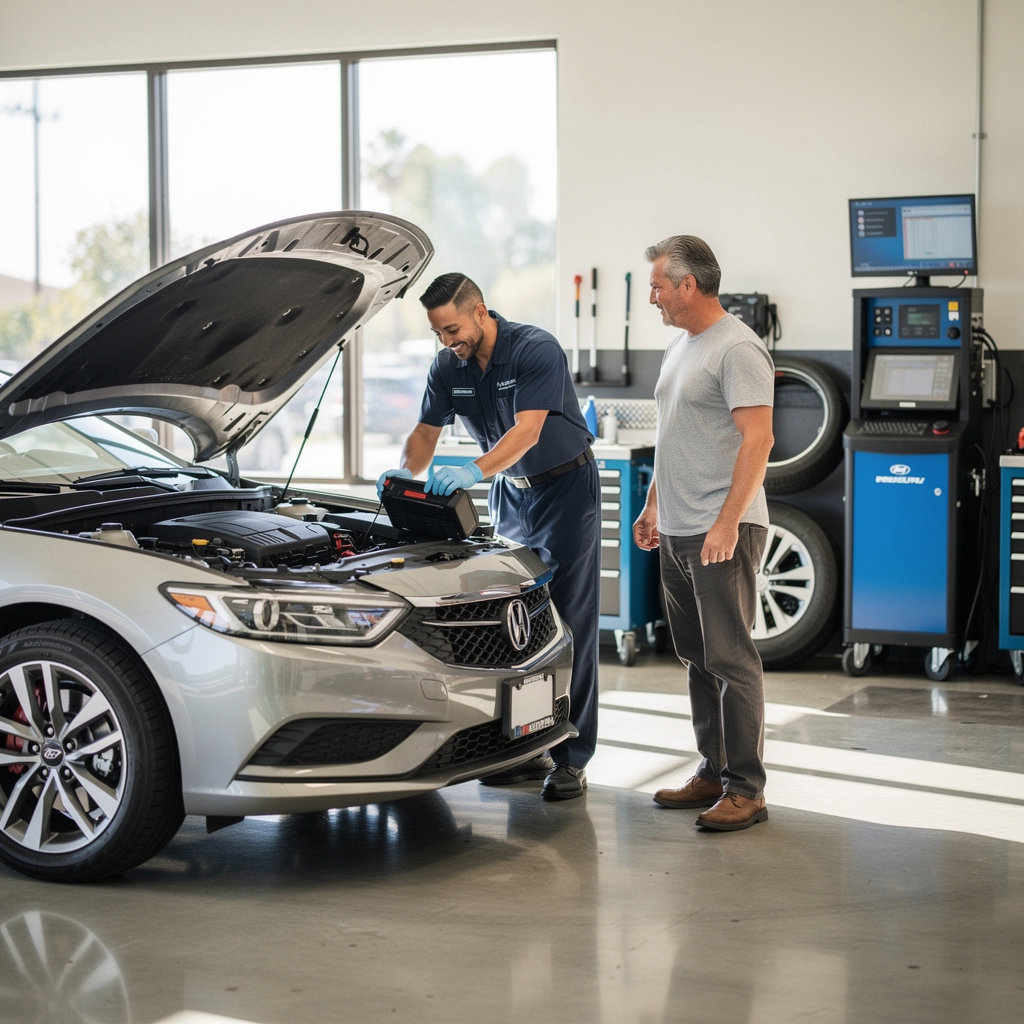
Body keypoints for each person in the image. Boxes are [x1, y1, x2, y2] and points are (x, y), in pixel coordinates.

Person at [377, 272, 601, 800]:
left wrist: (474, 471)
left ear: (479, 311)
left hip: (564, 489)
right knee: (515, 625)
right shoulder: (447, 365)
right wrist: (406, 471)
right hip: (512, 495)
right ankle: (526, 747)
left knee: (569, 621)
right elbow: (427, 431)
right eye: (438, 334)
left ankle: (572, 756)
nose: (447, 341)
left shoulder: (534, 348)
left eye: (453, 329)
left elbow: (529, 430)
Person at [632, 235, 774, 831]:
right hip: (679, 527)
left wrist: (726, 522)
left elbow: (758, 440)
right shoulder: (680, 347)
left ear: (688, 285)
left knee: (730, 657)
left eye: (659, 285)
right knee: (695, 655)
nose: (653, 296)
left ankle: (747, 788)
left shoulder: (737, 348)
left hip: (723, 529)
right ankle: (713, 770)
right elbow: (674, 435)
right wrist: (651, 505)